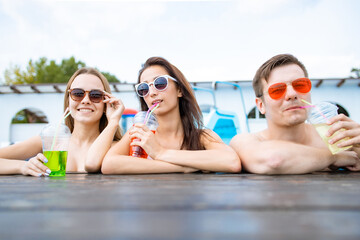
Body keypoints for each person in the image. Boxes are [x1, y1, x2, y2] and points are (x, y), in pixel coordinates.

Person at [102, 57, 241, 174]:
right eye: (144, 88)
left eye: (160, 83)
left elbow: (231, 161)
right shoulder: (140, 133)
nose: (152, 92)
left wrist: (161, 153)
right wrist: (182, 168)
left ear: (179, 89)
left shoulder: (202, 137)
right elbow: (109, 164)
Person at [230, 54, 360, 174]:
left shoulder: (335, 137)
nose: (292, 94)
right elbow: (273, 159)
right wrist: (333, 158)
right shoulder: (246, 141)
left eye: (300, 85)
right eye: (277, 90)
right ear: (261, 105)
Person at [0, 67, 124, 176]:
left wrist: (113, 121)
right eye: (78, 93)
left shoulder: (116, 148)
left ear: (106, 103)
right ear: (68, 101)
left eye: (95, 95)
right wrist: (23, 166)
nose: (86, 100)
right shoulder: (49, 141)